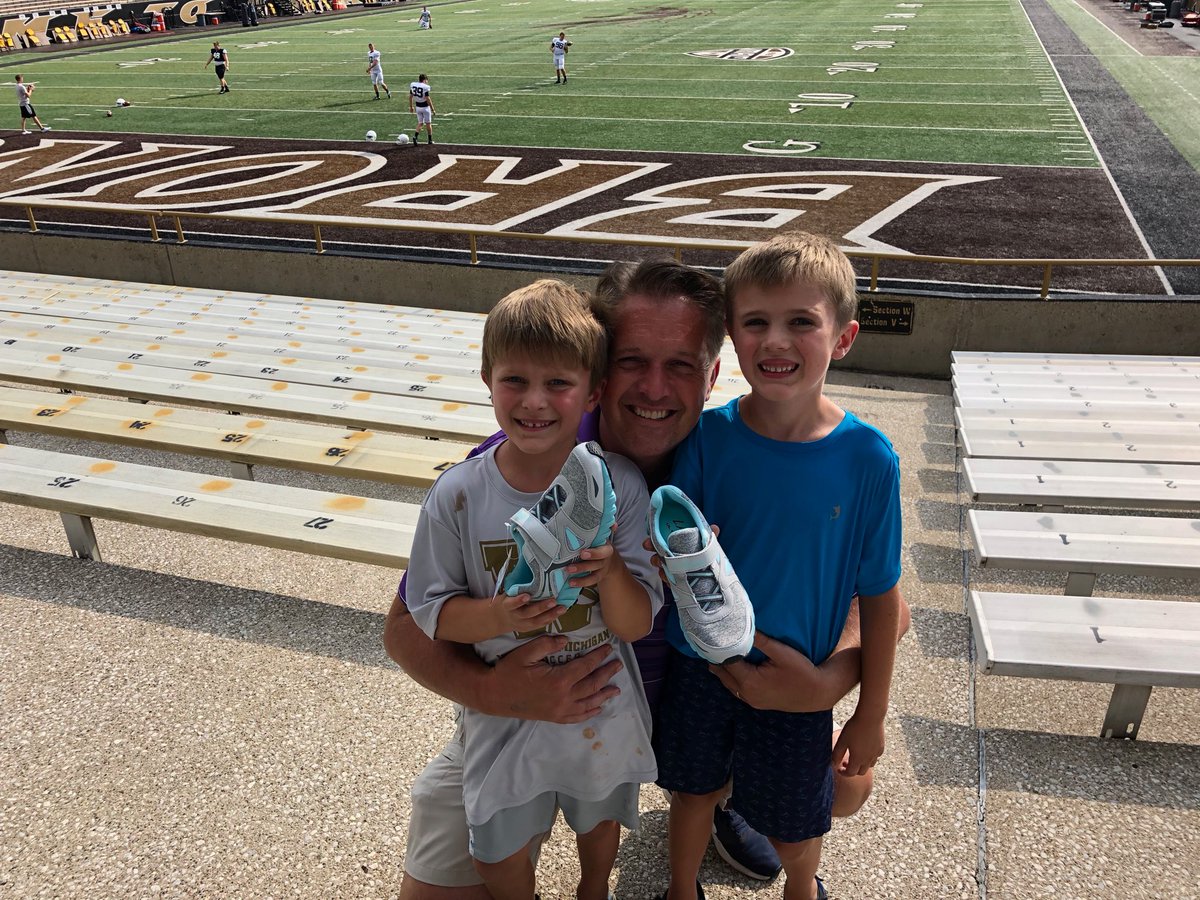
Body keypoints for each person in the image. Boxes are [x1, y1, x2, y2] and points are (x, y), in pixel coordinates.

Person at [384, 258, 911, 899]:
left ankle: (719, 793)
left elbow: (881, 598)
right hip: (523, 710)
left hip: (698, 704)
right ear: (601, 374)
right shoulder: (523, 461)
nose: (655, 388)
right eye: (633, 361)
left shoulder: (736, 455)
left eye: (681, 365)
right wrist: (504, 696)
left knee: (844, 787)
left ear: (713, 373)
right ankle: (711, 788)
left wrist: (828, 682)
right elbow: (405, 627)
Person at [654, 233, 904, 900]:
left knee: (798, 821)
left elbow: (882, 596)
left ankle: (802, 886)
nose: (776, 342)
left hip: (797, 675)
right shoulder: (709, 437)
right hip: (701, 664)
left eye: (802, 322)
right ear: (731, 337)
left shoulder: (869, 460)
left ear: (844, 337)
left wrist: (869, 711)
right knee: (692, 791)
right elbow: (676, 547)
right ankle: (682, 888)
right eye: (756, 323)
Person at [405, 280, 662, 900]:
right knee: (497, 844)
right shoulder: (459, 494)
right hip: (500, 714)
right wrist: (500, 613)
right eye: (515, 380)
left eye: (558, 383)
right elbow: (430, 614)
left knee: (599, 820)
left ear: (593, 391)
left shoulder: (618, 485)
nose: (534, 402)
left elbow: (637, 623)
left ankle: (592, 889)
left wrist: (612, 573)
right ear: (488, 378)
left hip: (600, 698)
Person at [409, 74, 435, 144]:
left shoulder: (413, 85)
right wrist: (432, 109)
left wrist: (411, 107)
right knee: (428, 123)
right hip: (425, 107)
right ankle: (430, 140)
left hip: (418, 107)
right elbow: (428, 98)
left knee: (420, 123)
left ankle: (415, 137)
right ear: (424, 80)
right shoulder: (425, 87)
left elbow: (410, 97)